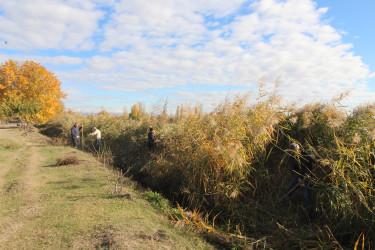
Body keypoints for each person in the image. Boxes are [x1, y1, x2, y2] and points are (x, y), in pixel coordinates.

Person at [285, 143, 314, 209]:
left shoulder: (305, 154)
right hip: (297, 178)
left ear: (298, 150)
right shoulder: (291, 158)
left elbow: (315, 159)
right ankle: (292, 205)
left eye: (293, 151)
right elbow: (292, 170)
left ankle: (309, 209)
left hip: (307, 177)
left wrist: (321, 162)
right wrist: (298, 177)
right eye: (290, 151)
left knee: (306, 195)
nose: (292, 153)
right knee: (288, 190)